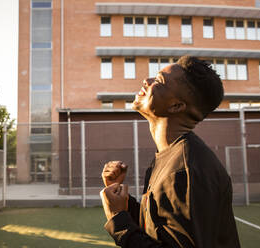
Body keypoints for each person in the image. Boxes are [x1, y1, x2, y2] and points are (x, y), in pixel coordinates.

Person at [100, 56, 241, 248]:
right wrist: (123, 201)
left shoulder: (184, 171)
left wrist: (118, 220)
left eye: (158, 81)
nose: (146, 81)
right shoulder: (171, 155)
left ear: (176, 106)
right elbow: (157, 227)